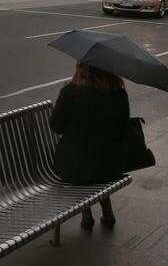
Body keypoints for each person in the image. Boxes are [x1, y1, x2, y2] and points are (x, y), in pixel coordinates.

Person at [50, 64, 129, 231]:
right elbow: (123, 127)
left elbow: (56, 126)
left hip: (74, 166)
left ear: (81, 70)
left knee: (81, 159)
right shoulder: (118, 93)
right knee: (97, 160)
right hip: (111, 165)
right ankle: (107, 209)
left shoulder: (70, 92)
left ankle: (86, 214)